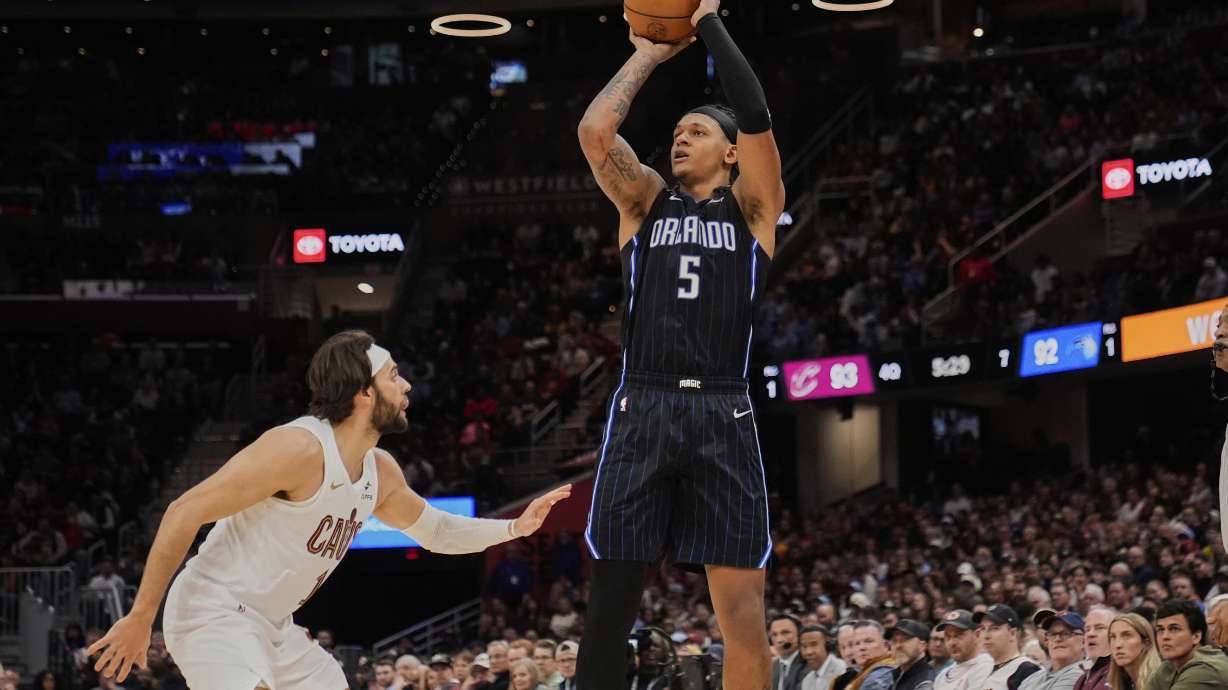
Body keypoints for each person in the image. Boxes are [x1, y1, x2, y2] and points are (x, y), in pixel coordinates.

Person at [85, 330, 570, 687]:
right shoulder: (296, 449)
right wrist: (140, 617)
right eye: (394, 376)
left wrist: (514, 528)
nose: (407, 388)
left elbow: (436, 531)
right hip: (213, 611)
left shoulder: (380, 471)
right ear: (363, 393)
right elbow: (182, 511)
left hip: (274, 626)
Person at [573, 0, 786, 688]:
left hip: (725, 409)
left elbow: (754, 115)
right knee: (610, 602)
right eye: (675, 132)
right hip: (645, 403)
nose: (679, 140)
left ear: (730, 153)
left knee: (743, 616)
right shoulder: (645, 201)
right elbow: (596, 132)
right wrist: (651, 53)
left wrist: (709, 20)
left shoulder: (755, 209)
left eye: (695, 131)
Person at [1143, 600, 1228, 689]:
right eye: (1160, 630)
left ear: (1196, 636)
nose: (1165, 637)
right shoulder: (1168, 666)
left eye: (1174, 629)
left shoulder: (1206, 669)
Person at [974, 605, 1040, 690]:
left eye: (994, 628)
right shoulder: (983, 669)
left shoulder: (1027, 670)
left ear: (1012, 633)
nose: (986, 635)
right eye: (983, 628)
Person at [1023, 612, 1087, 690]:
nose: (1057, 639)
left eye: (1065, 633)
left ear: (1084, 640)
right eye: (1053, 634)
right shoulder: (1033, 677)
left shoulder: (1080, 674)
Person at [934, 610, 993, 690]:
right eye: (948, 637)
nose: (952, 643)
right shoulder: (942, 675)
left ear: (977, 635)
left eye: (958, 636)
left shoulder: (987, 667)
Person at [1106, 613, 1161, 690]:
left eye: (1127, 635)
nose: (1118, 645)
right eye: (1113, 637)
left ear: (1146, 642)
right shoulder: (1120, 683)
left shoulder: (1162, 681)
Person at [848, 621, 897, 690]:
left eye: (868, 641)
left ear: (886, 645)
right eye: (857, 643)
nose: (861, 647)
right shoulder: (862, 673)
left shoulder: (883, 673)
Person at [1075, 607, 1116, 690]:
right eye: (1087, 629)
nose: (1090, 634)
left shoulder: (1122, 673)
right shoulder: (1081, 678)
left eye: (1099, 628)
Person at [887, 619, 935, 690]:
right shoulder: (898, 674)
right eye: (894, 640)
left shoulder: (925, 683)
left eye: (905, 639)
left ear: (922, 646)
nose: (898, 646)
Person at [800, 625, 847, 690]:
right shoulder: (807, 680)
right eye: (804, 646)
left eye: (814, 645)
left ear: (828, 645)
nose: (808, 652)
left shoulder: (842, 671)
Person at [771, 614, 806, 690]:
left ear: (799, 635)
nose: (779, 640)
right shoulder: (771, 666)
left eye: (785, 633)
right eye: (774, 634)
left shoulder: (809, 663)